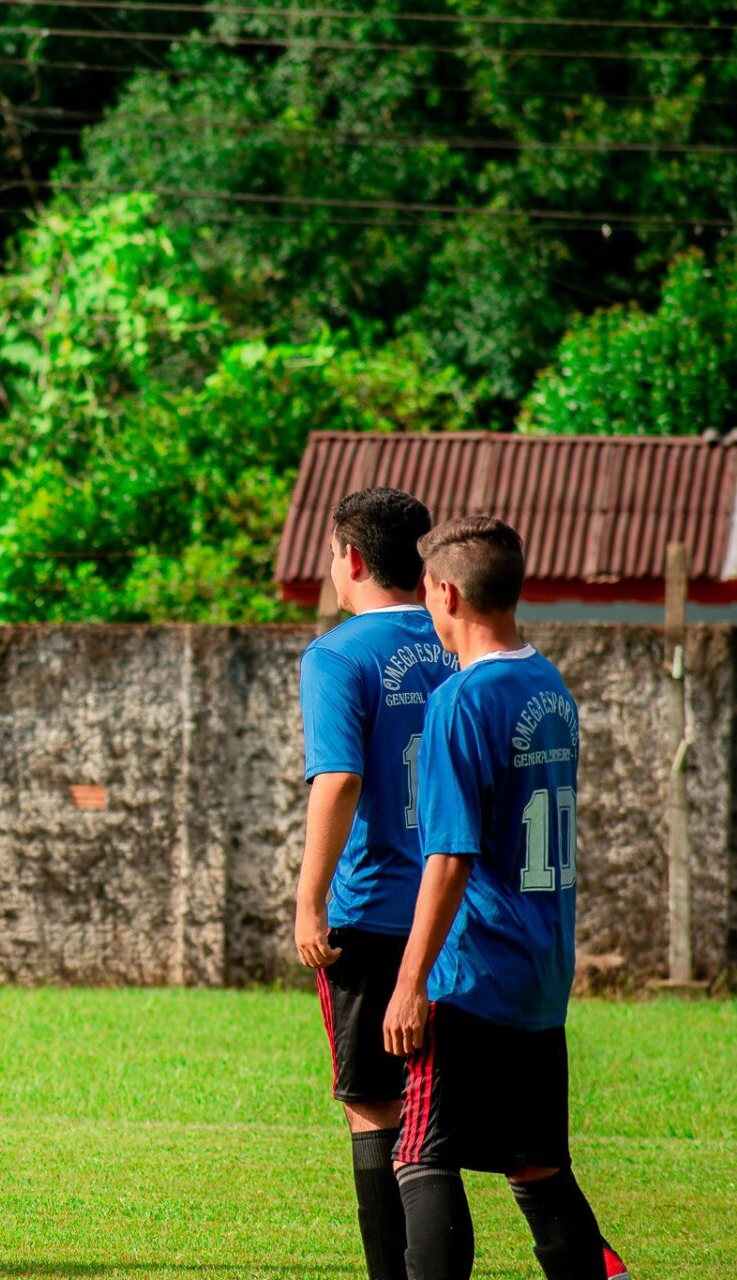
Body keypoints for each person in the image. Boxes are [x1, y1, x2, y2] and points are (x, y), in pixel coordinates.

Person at [385, 515, 627, 1280]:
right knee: (535, 1167)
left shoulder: (460, 701)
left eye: (426, 591)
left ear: (447, 592)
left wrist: (411, 982)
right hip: (539, 973)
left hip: (474, 972)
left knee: (420, 1156)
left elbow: (451, 858)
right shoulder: (547, 686)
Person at [294, 487, 456, 1280]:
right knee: (445, 1117)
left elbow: (339, 780)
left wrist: (308, 901)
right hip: (459, 914)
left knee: (376, 1112)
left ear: (350, 559)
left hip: (372, 914)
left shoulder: (337, 655)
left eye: (331, 552)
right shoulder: (463, 643)